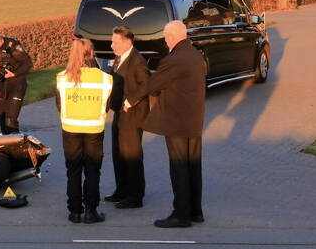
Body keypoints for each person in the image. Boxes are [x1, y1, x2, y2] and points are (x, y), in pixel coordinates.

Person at [125, 20, 206, 228]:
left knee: (179, 168)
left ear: (171, 37)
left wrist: (130, 100)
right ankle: (195, 211)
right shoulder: (196, 55)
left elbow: (152, 85)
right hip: (194, 121)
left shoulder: (174, 59)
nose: (165, 41)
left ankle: (181, 215)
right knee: (193, 166)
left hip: (176, 122)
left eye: (166, 37)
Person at [55, 38, 113, 224]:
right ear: (91, 53)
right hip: (94, 129)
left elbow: (59, 104)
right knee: (92, 171)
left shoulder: (62, 77)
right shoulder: (105, 78)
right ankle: (90, 211)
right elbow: (107, 105)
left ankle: (74, 212)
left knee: (73, 171)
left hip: (70, 128)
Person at [104, 25, 150, 209]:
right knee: (118, 153)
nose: (111, 45)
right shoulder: (119, 58)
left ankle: (135, 196)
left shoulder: (137, 61)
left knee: (131, 155)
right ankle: (121, 190)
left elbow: (146, 85)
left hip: (133, 115)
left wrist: (130, 102)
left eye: (115, 42)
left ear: (126, 42)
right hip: (119, 113)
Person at [0, 29, 33, 134]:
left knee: (10, 120)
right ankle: (6, 142)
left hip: (17, 85)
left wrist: (14, 73)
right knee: (2, 118)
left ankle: (15, 142)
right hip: (2, 85)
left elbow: (28, 64)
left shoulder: (13, 46)